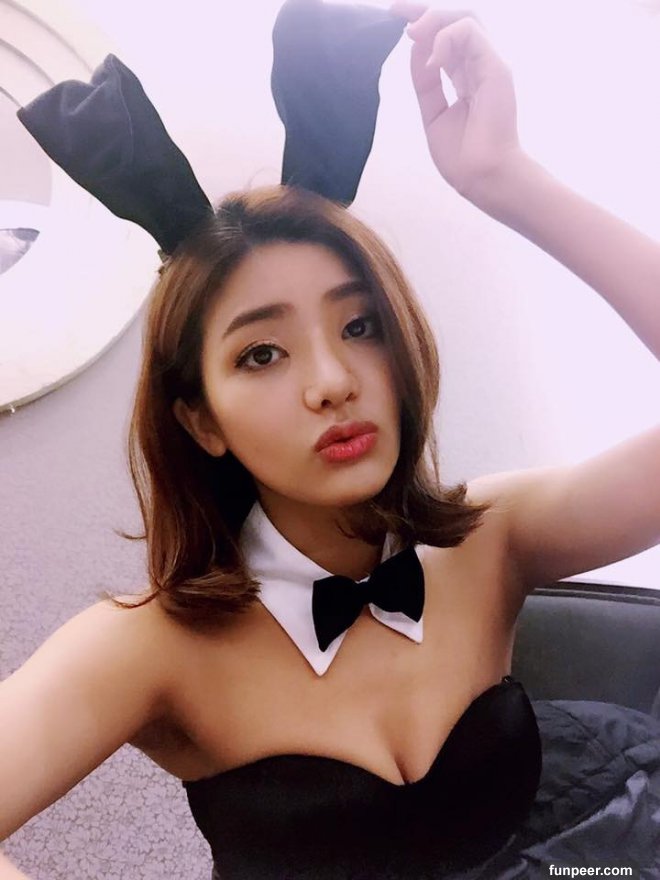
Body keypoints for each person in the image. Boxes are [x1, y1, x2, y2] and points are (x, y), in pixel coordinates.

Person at [2, 2, 660, 878]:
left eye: (359, 327)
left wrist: (506, 178)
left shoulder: (491, 534)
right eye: (261, 353)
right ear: (201, 419)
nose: (332, 381)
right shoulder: (150, 645)